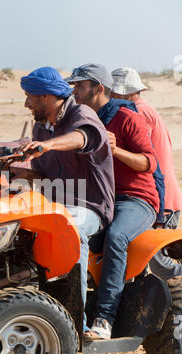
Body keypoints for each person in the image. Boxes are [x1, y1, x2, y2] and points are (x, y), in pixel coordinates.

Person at [66, 64, 160, 339]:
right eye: (73, 86)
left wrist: (115, 149)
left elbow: (149, 163)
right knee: (66, 232)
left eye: (79, 86)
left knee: (116, 237)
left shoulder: (126, 118)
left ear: (100, 89)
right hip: (99, 199)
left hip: (136, 199)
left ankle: (104, 319)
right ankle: (69, 317)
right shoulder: (81, 119)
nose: (75, 92)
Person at [19, 67, 115, 337]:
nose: (26, 103)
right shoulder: (41, 126)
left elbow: (81, 138)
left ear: (47, 97)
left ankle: (75, 323)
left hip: (90, 208)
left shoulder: (81, 115)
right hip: (54, 206)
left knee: (68, 226)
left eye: (30, 96)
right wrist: (16, 171)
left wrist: (48, 145)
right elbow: (43, 173)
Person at [112, 67, 182, 280]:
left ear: (125, 92)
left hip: (160, 200)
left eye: (113, 92)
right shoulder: (147, 110)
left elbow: (148, 163)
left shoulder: (136, 113)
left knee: (161, 266)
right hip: (165, 197)